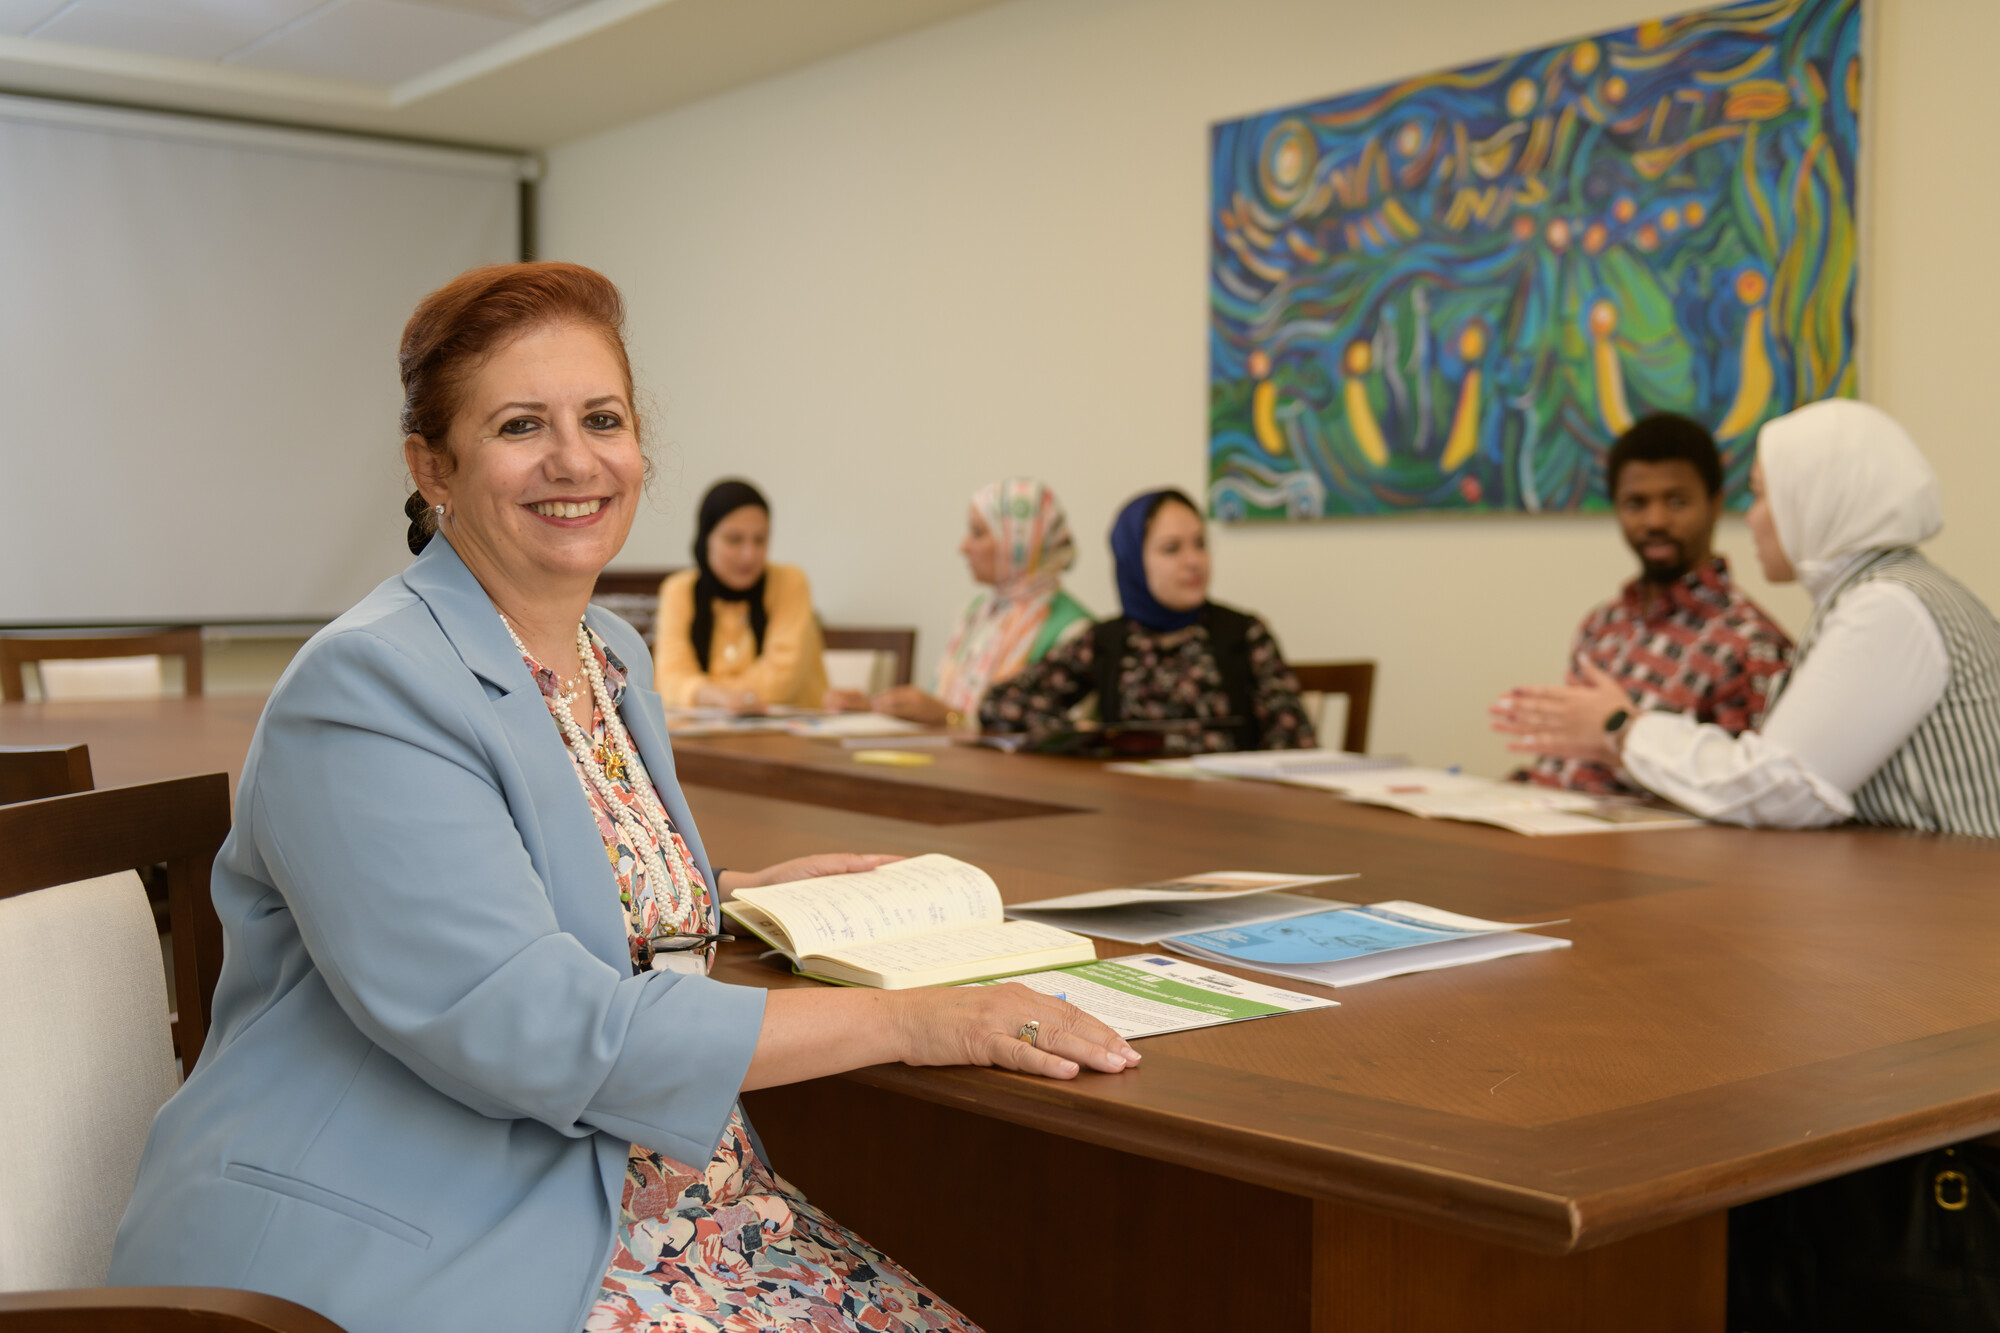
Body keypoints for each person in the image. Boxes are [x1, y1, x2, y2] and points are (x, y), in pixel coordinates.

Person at [108, 262, 1136, 1333]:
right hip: (436, 1226)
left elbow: (533, 890)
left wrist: (724, 895)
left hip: (665, 1201)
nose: (573, 459)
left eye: (601, 417)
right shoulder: (364, 685)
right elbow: (529, 1024)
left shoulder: (609, 653)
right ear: (434, 466)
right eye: (518, 425)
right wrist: (915, 1021)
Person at [1491, 398, 2000, 836]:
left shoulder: (1889, 607)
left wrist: (1621, 728)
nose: (1751, 517)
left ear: (1815, 500)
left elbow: (1781, 788)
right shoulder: (1886, 596)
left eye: (1761, 495)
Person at [1515, 412, 1793, 794]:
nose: (1655, 520)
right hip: (1546, 818)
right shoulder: (1602, 624)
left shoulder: (1752, 644)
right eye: (1635, 503)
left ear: (1714, 505)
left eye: (1677, 501)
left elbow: (1751, 796)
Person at [981, 487, 1316, 753]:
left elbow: (1296, 742)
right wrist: (1083, 737)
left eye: (1200, 544)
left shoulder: (1243, 635)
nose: (1194, 561)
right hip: (1131, 813)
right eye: (1172, 549)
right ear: (1133, 561)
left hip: (1230, 816)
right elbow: (1003, 703)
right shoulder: (1107, 641)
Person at [872, 478, 1092, 727]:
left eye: (977, 533)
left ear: (1019, 542)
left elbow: (1064, 731)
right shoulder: (976, 612)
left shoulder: (1076, 631)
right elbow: (941, 703)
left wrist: (953, 719)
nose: (963, 547)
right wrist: (876, 707)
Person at [653, 480, 831, 711]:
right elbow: (669, 680)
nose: (749, 555)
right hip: (706, 741)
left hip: (792, 739)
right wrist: (720, 697)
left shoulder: (790, 582)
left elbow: (782, 681)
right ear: (707, 539)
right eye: (734, 540)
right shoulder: (679, 590)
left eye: (760, 540)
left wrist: (707, 693)